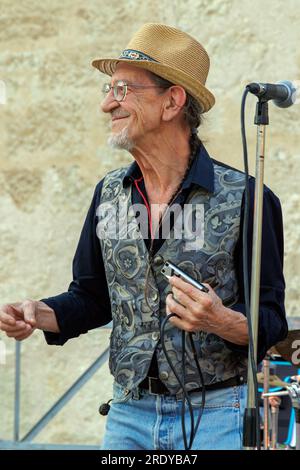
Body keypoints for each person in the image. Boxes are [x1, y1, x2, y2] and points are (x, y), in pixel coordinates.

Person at [0, 23, 288, 450]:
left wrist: (221, 320)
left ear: (172, 101)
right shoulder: (108, 194)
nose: (105, 104)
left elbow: (272, 322)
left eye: (121, 89)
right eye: (108, 88)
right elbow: (93, 297)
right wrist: (40, 312)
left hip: (217, 419)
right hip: (128, 416)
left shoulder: (249, 197)